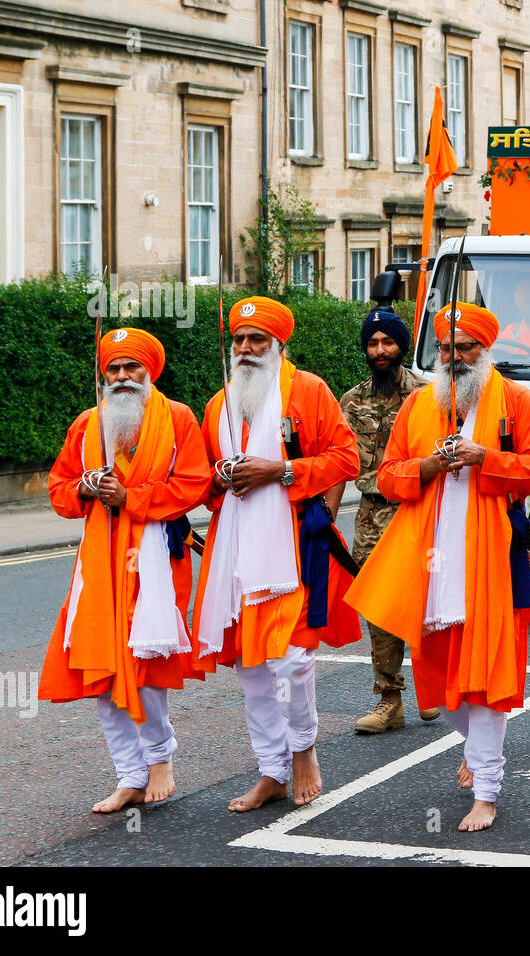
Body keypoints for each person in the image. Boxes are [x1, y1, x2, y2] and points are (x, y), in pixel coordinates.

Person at [344, 302, 530, 832]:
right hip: (430, 563)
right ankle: (474, 748)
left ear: (485, 352)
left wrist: (488, 458)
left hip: (493, 557)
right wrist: (430, 465)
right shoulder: (419, 404)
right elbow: (388, 477)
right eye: (447, 349)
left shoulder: (516, 398)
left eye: (466, 349)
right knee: (440, 675)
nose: (455, 358)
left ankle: (487, 787)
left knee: (484, 678)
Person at [193, 296, 361, 812]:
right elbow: (204, 480)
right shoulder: (219, 403)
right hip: (234, 546)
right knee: (250, 666)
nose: (245, 348)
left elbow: (345, 457)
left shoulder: (307, 389)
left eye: (256, 340)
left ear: (278, 345)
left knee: (292, 661)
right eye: (239, 340)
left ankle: (304, 750)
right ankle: (271, 770)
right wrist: (219, 479)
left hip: (291, 546)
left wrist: (279, 470)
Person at [40, 328, 213, 813]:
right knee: (99, 661)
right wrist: (87, 490)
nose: (120, 377)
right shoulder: (87, 423)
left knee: (146, 665)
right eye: (113, 368)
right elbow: (60, 490)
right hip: (99, 561)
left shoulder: (177, 418)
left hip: (157, 556)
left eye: (130, 367)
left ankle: (160, 758)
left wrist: (131, 498)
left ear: (149, 371)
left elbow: (195, 485)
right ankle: (128, 774)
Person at [328, 306, 439, 734]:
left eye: (387, 342)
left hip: (420, 508)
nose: (380, 351)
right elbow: (341, 462)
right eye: (372, 344)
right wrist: (328, 516)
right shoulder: (352, 400)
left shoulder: (428, 396)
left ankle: (431, 688)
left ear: (401, 346)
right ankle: (389, 699)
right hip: (373, 514)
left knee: (429, 600)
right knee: (378, 606)